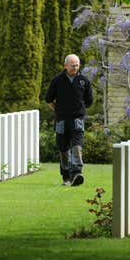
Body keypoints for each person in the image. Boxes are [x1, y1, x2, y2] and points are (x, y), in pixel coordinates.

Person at [45, 54, 93, 186]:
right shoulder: (57, 81)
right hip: (61, 120)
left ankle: (77, 173)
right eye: (73, 65)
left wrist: (79, 109)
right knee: (63, 149)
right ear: (65, 65)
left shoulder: (84, 81)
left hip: (77, 119)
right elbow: (49, 100)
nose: (75, 67)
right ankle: (66, 176)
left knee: (77, 147)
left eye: (77, 65)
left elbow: (89, 102)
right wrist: (58, 110)